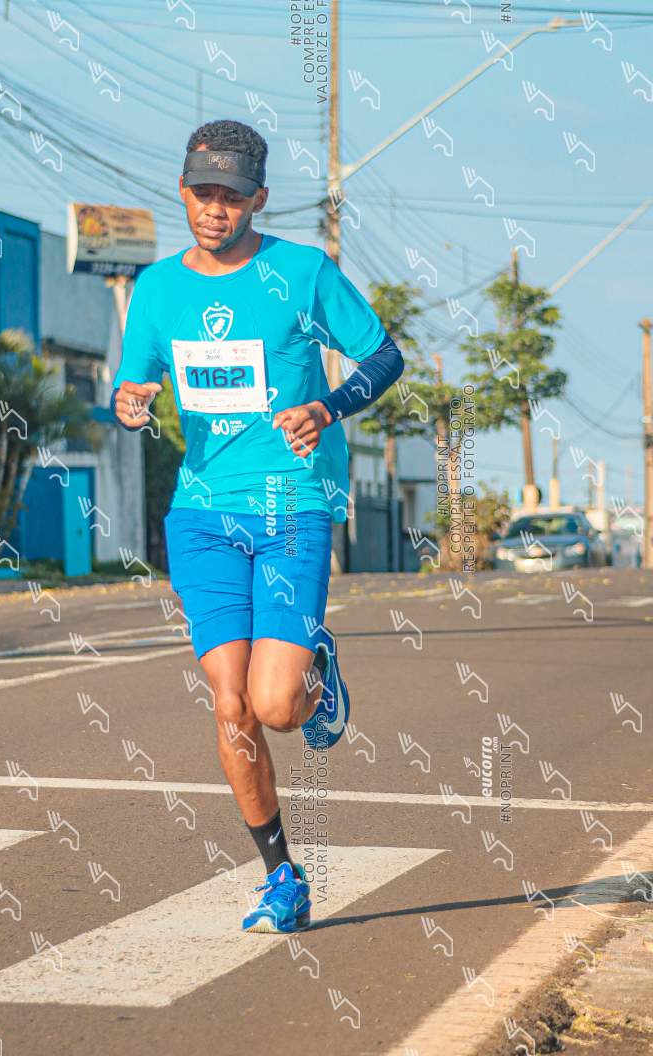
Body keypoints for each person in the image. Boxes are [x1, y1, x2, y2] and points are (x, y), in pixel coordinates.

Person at [112, 119, 404, 933]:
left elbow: (385, 356)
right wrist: (130, 404)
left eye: (233, 197)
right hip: (201, 513)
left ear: (259, 200)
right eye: (203, 193)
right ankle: (282, 876)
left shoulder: (302, 272)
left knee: (276, 706)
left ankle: (316, 666)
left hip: (291, 506)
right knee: (230, 703)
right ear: (183, 192)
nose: (216, 209)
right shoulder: (156, 290)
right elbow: (131, 387)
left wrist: (328, 406)